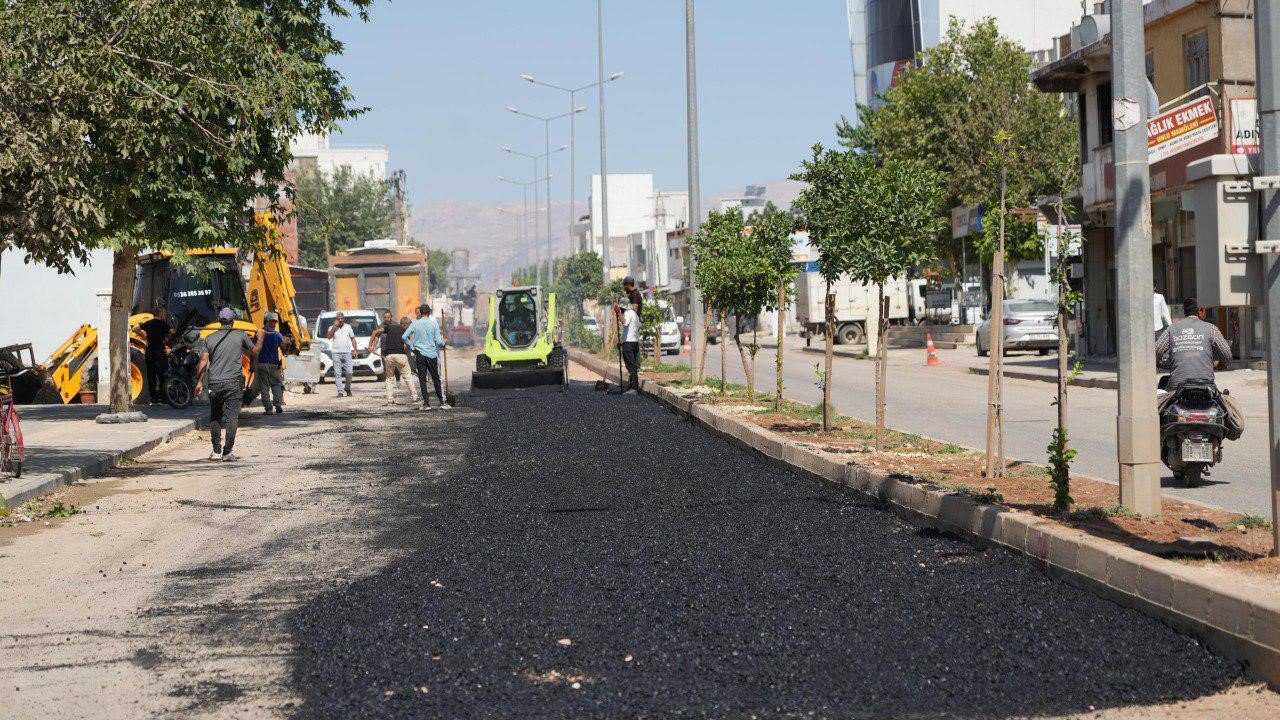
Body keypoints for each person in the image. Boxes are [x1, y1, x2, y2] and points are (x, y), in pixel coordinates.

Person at [1156, 297, 1243, 438]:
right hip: (1207, 388)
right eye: (1205, 311)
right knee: (1228, 406)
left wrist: (1158, 363)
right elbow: (1227, 355)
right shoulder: (1211, 329)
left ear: (1185, 312)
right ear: (1201, 311)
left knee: (1156, 409)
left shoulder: (1172, 329)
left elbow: (1157, 351)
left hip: (1177, 388)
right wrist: (1220, 365)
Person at [195, 308, 260, 462]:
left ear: (219, 320)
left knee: (215, 417)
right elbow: (255, 351)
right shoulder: (241, 335)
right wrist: (261, 337)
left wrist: (199, 382)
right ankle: (227, 452)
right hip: (233, 383)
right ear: (233, 321)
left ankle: (216, 452)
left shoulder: (209, 339)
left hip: (214, 384)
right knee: (232, 418)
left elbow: (203, 361)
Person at [402, 304, 449, 410]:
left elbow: (404, 336)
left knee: (422, 380)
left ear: (421, 312)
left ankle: (426, 404)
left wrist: (411, 347)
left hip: (420, 354)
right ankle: (442, 402)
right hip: (432, 354)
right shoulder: (434, 324)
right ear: (429, 312)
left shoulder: (415, 324)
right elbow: (439, 343)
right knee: (436, 378)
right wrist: (444, 342)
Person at [368, 310, 418, 406]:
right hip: (400, 356)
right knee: (407, 377)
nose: (410, 328)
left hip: (389, 356)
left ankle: (390, 400)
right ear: (405, 324)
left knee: (390, 378)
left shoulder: (389, 327)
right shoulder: (404, 330)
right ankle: (415, 397)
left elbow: (375, 332)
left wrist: (370, 345)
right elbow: (406, 345)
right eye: (409, 325)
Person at [254, 312, 286, 415]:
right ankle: (278, 405)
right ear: (268, 322)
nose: (275, 324)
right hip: (274, 365)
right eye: (273, 322)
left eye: (275, 322)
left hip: (262, 364)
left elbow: (253, 348)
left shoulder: (258, 333)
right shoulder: (277, 335)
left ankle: (268, 409)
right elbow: (283, 347)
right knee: (276, 385)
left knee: (264, 387)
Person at [139, 306, 171, 404]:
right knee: (162, 375)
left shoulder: (148, 323)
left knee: (151, 376)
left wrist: (144, 336)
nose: (165, 315)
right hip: (160, 352)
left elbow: (136, 328)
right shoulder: (163, 324)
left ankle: (154, 399)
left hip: (149, 352)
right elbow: (170, 334)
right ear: (161, 313)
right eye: (164, 313)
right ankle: (163, 398)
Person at [327, 312, 356, 398]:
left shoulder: (348, 327)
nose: (340, 320)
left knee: (349, 372)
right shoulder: (332, 327)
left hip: (347, 352)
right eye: (338, 318)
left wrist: (355, 349)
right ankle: (340, 391)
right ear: (336, 319)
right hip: (336, 352)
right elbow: (329, 337)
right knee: (337, 373)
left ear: (344, 319)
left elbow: (353, 339)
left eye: (342, 318)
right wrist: (334, 327)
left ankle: (347, 388)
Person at [616, 301, 641, 394]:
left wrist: (618, 313)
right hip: (634, 343)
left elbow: (625, 323)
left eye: (621, 309)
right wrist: (622, 340)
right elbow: (630, 329)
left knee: (631, 366)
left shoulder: (628, 313)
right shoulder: (635, 314)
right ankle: (632, 386)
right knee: (632, 365)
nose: (621, 311)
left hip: (629, 344)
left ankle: (634, 388)